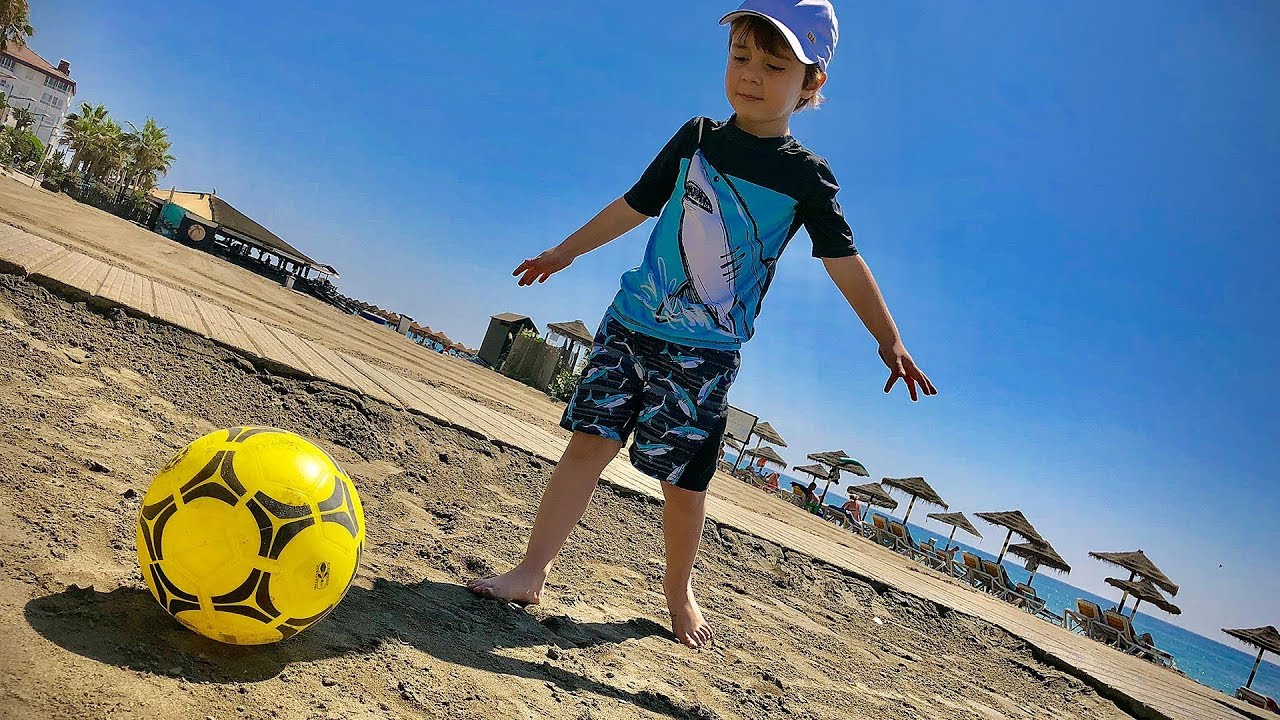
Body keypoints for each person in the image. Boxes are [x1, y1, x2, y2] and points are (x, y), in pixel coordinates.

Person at [468, 0, 936, 649]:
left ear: (811, 85)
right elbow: (634, 205)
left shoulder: (805, 178)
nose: (750, 74)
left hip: (703, 356)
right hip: (630, 325)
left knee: (683, 485)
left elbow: (843, 262)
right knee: (586, 447)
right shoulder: (696, 138)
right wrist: (566, 250)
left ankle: (677, 591)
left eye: (773, 65)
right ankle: (531, 571)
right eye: (740, 56)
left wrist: (889, 339)